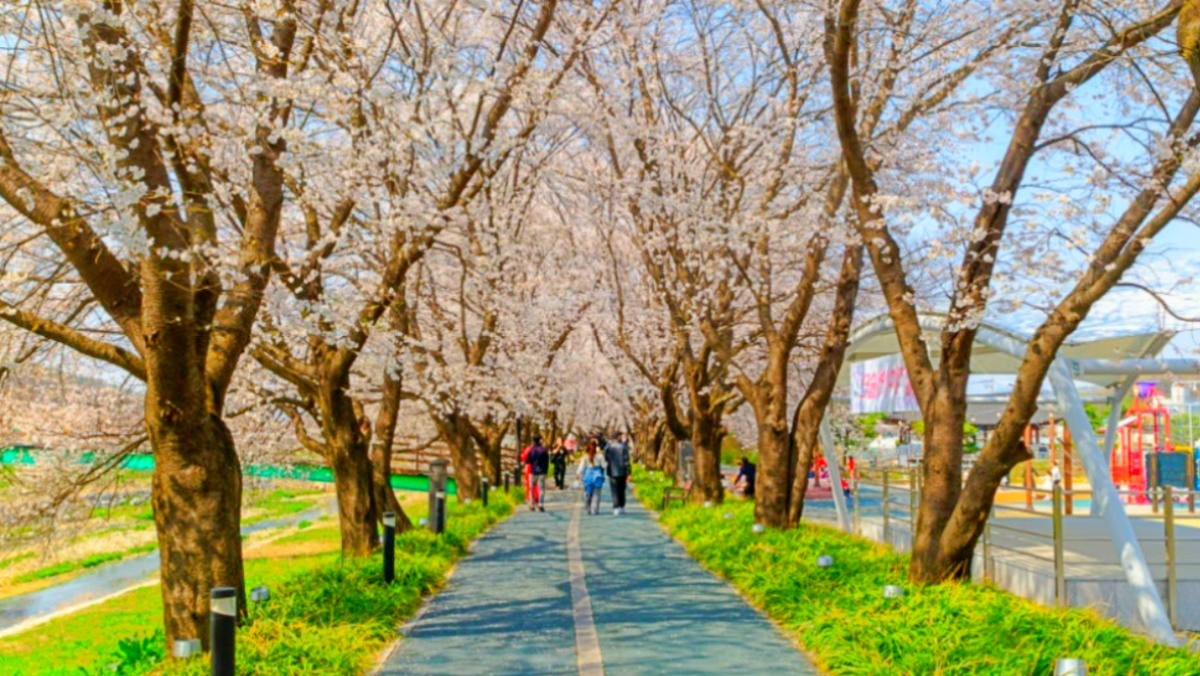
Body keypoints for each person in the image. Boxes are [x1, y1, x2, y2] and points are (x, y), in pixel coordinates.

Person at [577, 439, 607, 515]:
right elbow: (604, 465)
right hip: (597, 475)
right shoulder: (600, 456)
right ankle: (595, 509)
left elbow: (581, 467)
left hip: (588, 475)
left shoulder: (585, 456)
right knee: (597, 493)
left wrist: (578, 474)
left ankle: (588, 508)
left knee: (588, 493)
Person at [605, 431, 631, 515]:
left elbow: (606, 457)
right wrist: (628, 472)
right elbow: (626, 460)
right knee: (622, 489)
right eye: (620, 436)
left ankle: (616, 507)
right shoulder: (624, 446)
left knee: (614, 490)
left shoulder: (608, 447)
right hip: (622, 471)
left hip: (612, 471)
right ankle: (622, 506)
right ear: (618, 437)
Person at [526, 436, 549, 512]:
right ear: (540, 441)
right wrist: (546, 471)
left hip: (533, 471)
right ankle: (540, 504)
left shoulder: (532, 450)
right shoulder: (544, 450)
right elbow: (547, 462)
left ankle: (532, 504)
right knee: (542, 488)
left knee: (532, 488)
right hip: (542, 471)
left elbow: (528, 460)